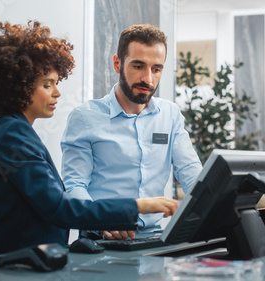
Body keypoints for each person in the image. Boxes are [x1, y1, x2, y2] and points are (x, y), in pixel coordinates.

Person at [0, 20, 179, 257]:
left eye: (56, 83)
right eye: (47, 85)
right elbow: (61, 208)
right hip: (15, 263)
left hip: (31, 261)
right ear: (20, 86)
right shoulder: (12, 136)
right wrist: (140, 206)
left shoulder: (16, 131)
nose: (57, 92)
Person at [61, 24, 202, 240]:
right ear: (117, 64)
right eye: (138, 66)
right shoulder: (84, 118)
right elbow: (75, 185)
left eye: (156, 69)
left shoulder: (170, 114)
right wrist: (99, 222)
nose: (148, 79)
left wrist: (214, 202)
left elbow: (191, 172)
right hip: (101, 238)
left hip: (156, 237)